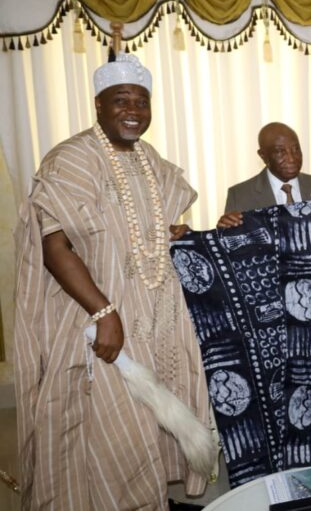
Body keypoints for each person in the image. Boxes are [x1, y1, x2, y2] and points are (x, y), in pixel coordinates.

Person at [13, 53, 211, 510]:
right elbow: (53, 246)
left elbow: (142, 228)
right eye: (121, 100)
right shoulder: (72, 158)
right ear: (98, 104)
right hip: (93, 313)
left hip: (154, 313)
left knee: (151, 420)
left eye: (142, 102)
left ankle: (149, 499)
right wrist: (104, 313)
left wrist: (170, 233)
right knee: (109, 427)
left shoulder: (148, 158)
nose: (133, 111)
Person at [219, 122, 311, 227]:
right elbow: (233, 245)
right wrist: (224, 233)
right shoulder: (240, 196)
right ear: (263, 156)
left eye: (296, 149)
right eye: (280, 151)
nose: (291, 158)